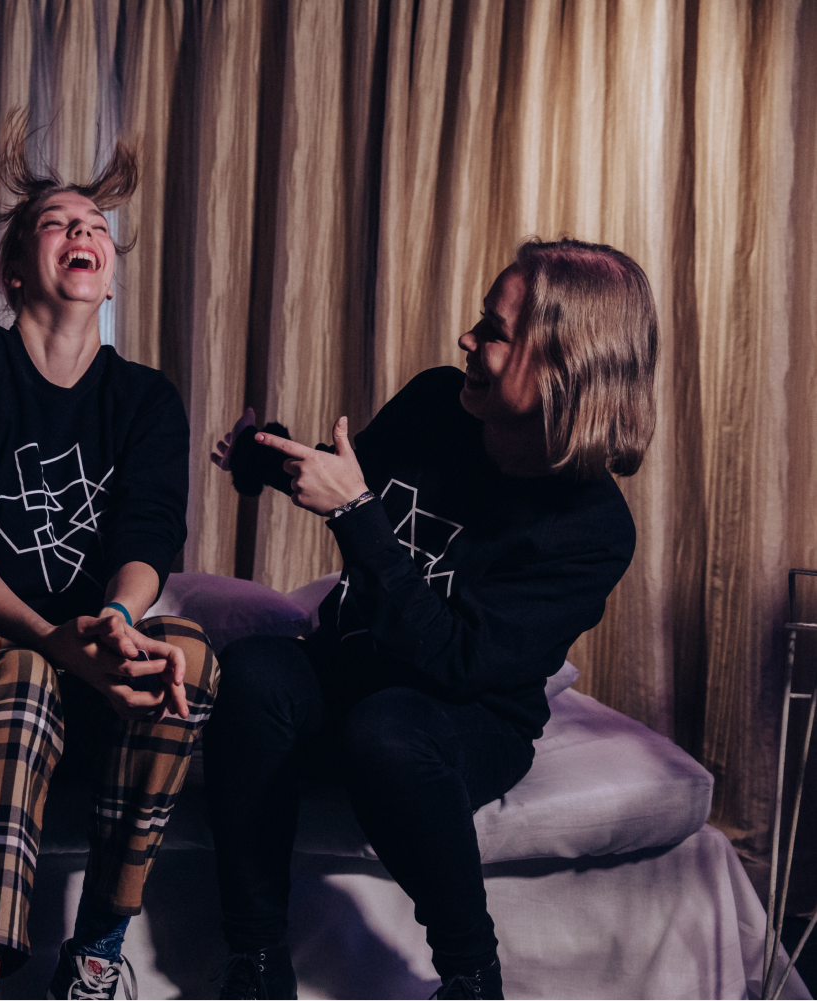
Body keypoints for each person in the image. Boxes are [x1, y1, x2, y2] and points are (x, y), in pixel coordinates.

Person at [204, 238, 658, 1001]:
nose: (466, 340)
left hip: (464, 716)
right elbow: (351, 478)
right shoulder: (435, 403)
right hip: (354, 666)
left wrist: (355, 511)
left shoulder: (592, 529)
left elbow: (454, 657)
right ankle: (255, 964)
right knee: (253, 672)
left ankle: (472, 976)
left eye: (494, 332)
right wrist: (262, 455)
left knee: (385, 730)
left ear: (565, 366)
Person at [0, 112, 219, 1001]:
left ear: (108, 276)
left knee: (188, 656)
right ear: (13, 271)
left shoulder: (147, 399)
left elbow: (148, 538)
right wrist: (50, 639)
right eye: (55, 223)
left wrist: (114, 621)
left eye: (94, 227)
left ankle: (97, 954)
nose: (82, 232)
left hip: (87, 658)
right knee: (26, 675)